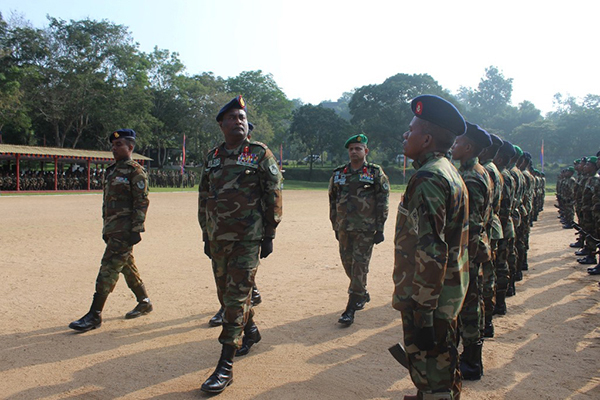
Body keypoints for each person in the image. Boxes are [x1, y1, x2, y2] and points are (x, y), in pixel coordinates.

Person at [198, 95, 283, 394]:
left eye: (242, 118)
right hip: (218, 238)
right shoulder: (213, 157)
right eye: (232, 117)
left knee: (235, 299)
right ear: (222, 124)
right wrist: (205, 234)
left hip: (248, 238)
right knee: (227, 295)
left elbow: (273, 193)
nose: (238, 121)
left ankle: (225, 365)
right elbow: (204, 197)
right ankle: (252, 330)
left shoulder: (259, 153)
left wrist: (269, 234)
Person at [392, 95, 469, 400]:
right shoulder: (446, 170)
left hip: (430, 297)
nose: (405, 134)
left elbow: (431, 249)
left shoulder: (429, 178)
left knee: (432, 368)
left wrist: (423, 313)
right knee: (442, 361)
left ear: (426, 140)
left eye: (411, 130)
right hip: (446, 290)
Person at [69, 128, 152, 332]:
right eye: (113, 145)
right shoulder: (112, 170)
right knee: (126, 265)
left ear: (130, 147)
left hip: (124, 231)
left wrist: (136, 229)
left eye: (119, 145)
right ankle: (144, 302)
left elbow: (141, 202)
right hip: (112, 228)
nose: (114, 148)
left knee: (108, 268)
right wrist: (106, 227)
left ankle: (95, 314)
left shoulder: (135, 171)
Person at [328, 134, 390, 326]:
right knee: (348, 264)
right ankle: (361, 292)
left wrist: (380, 228)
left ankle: (351, 306)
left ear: (366, 151)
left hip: (365, 228)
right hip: (344, 227)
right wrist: (335, 225)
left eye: (358, 148)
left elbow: (383, 200)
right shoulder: (339, 173)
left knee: (359, 266)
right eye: (351, 149)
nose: (354, 152)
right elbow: (332, 200)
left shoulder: (374, 173)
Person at [451, 122, 493, 381]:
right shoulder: (475, 171)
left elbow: (473, 223)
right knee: (470, 304)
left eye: (457, 143)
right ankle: (468, 357)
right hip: (471, 250)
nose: (453, 146)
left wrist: (465, 258)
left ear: (468, 148)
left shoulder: (471, 177)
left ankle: (471, 362)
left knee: (468, 307)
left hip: (469, 252)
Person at [478, 133, 504, 338]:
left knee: (485, 277)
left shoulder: (485, 170)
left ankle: (485, 321)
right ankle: (487, 319)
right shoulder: (492, 169)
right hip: (491, 227)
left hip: (485, 229)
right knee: (489, 274)